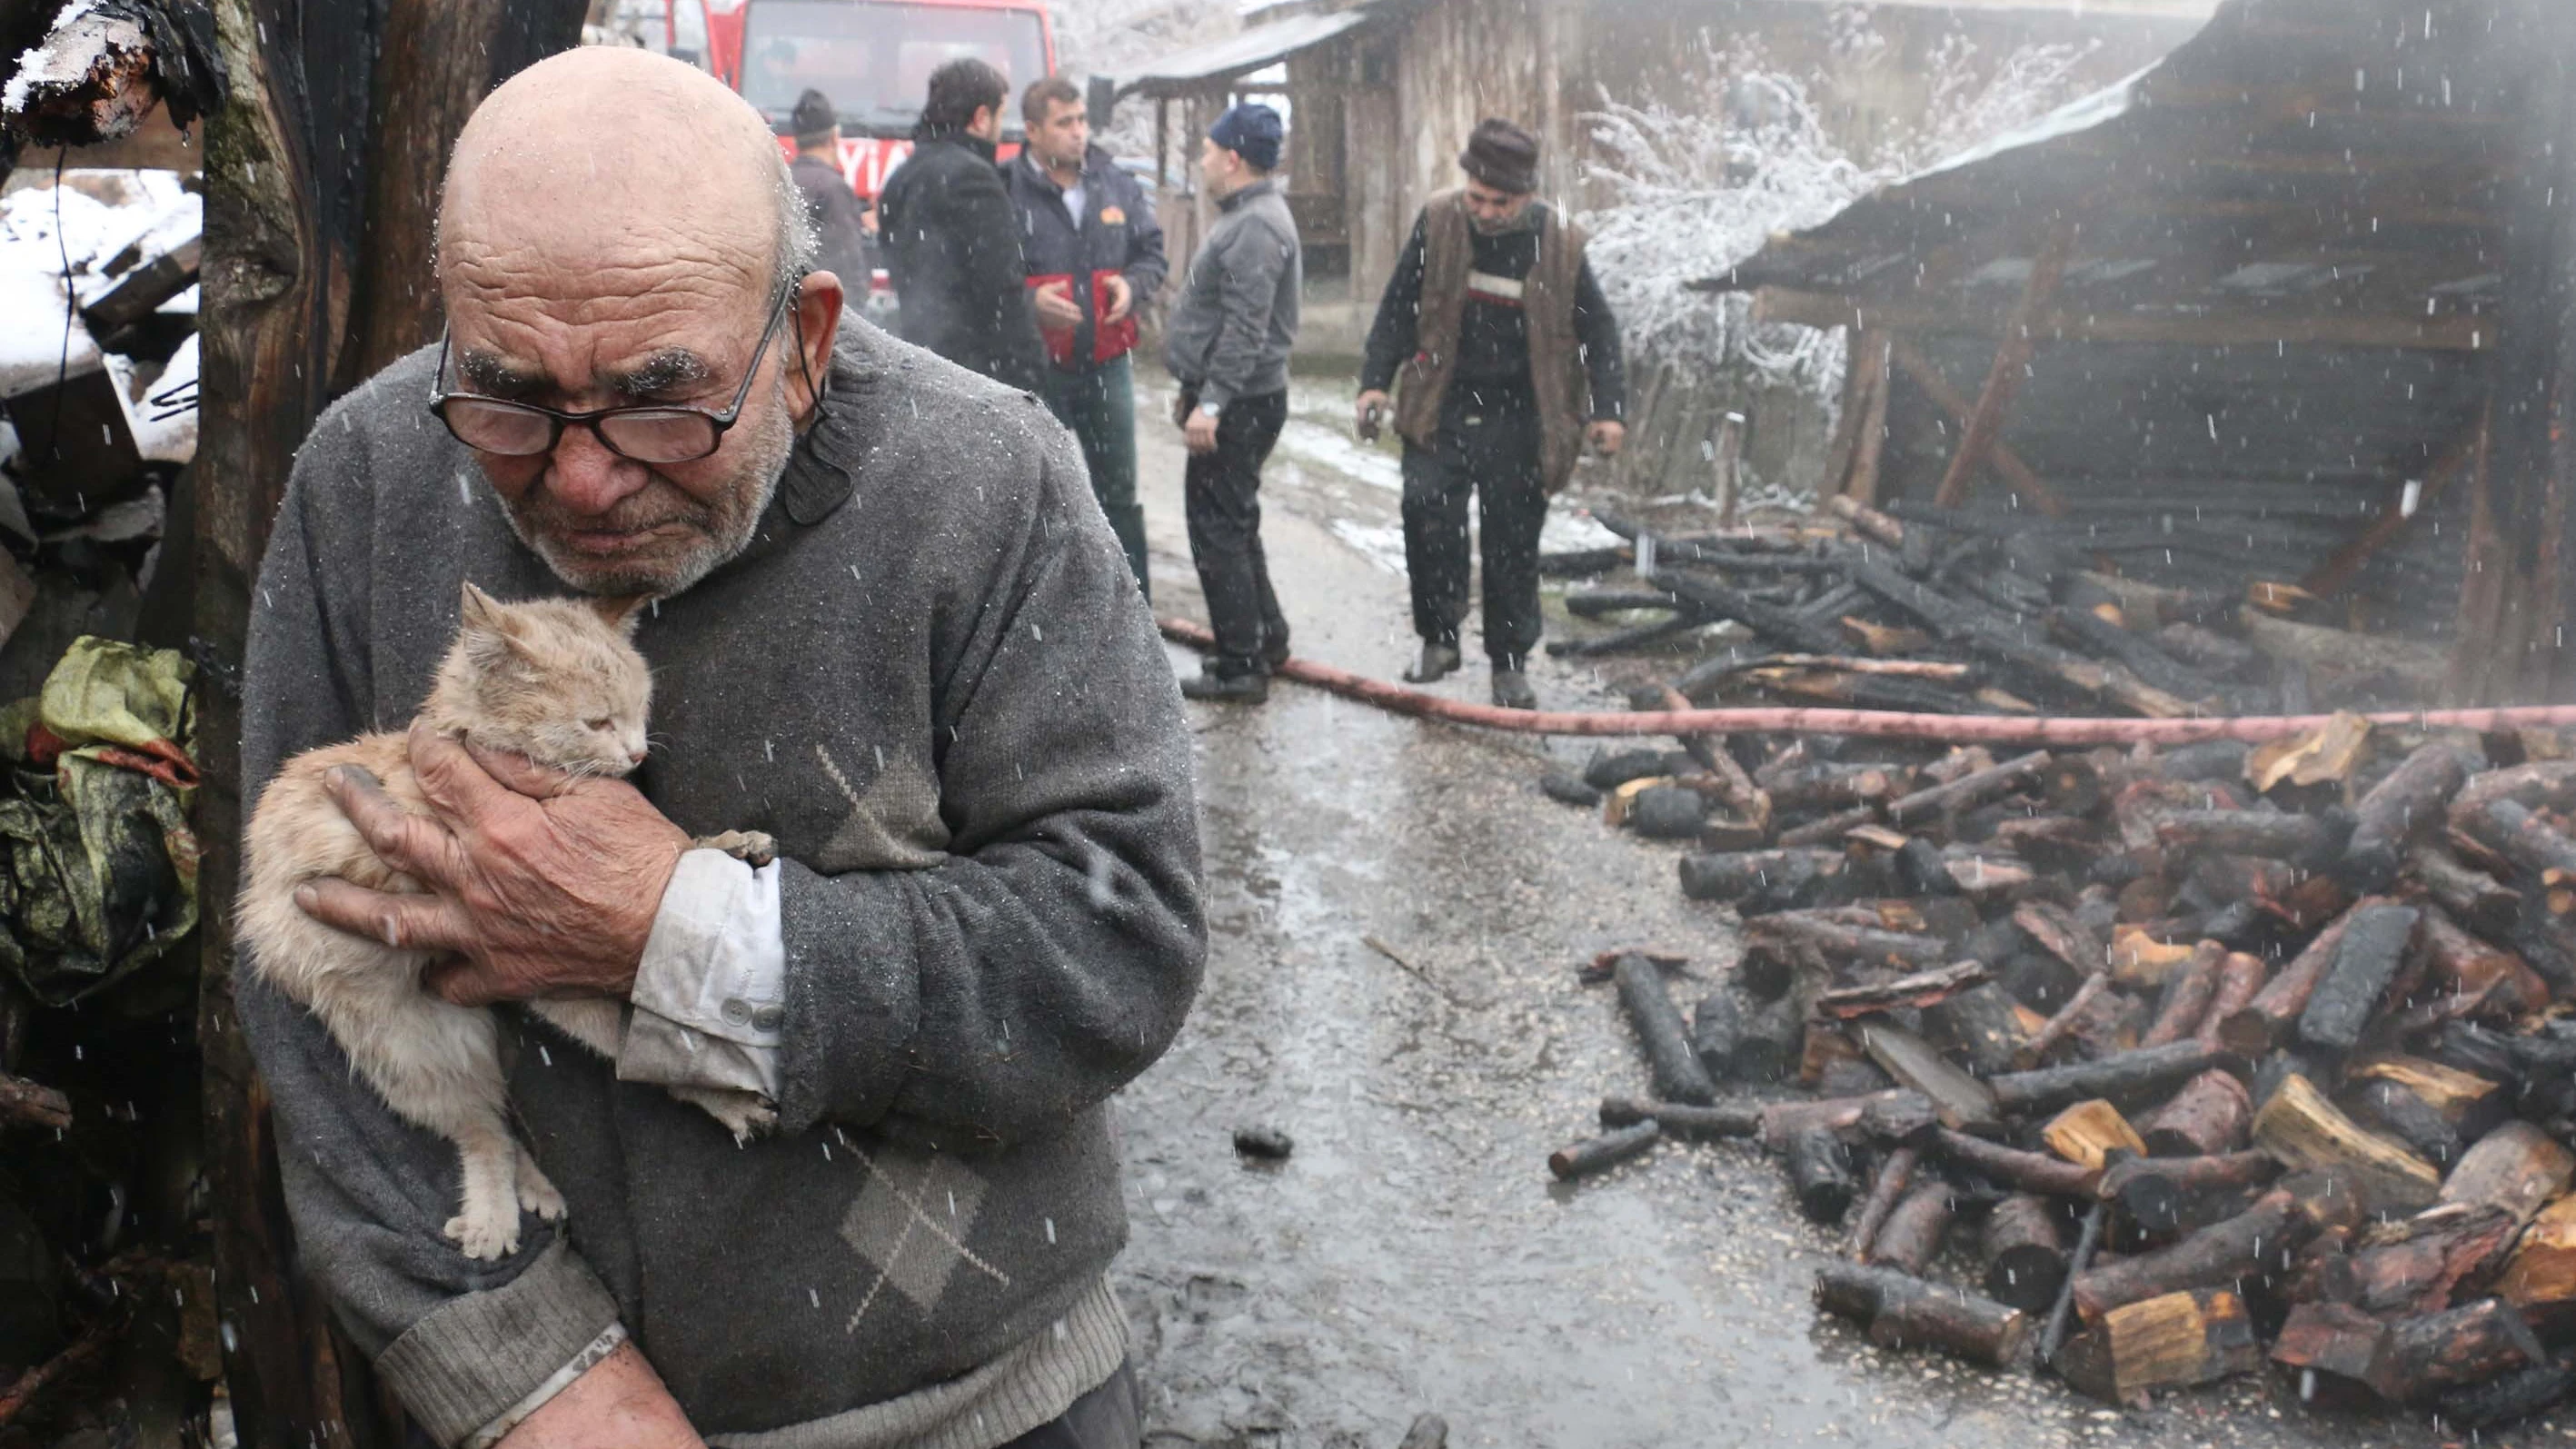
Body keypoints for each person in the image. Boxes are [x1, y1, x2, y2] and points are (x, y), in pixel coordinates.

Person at [237, 46, 1199, 1449]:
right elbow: (298, 976)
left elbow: (1119, 942)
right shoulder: (366, 477)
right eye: (507, 394)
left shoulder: (987, 483)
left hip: (978, 1406)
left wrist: (680, 935)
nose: (578, 472)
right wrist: (517, 1367)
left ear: (804, 337)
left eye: (658, 395)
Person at [1356, 117, 1626, 710]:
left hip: (1522, 414)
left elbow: (1598, 332)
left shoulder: (1560, 243)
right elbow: (1398, 305)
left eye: (1500, 202)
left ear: (1526, 194)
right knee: (1425, 511)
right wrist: (1374, 382)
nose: (1486, 211)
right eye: (1476, 196)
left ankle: (1509, 663)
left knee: (1511, 542)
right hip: (1441, 404)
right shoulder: (1439, 220)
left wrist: (1608, 409)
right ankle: (1439, 639)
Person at [1008, 75, 1167, 599]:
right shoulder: (1006, 188)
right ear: (1032, 130)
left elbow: (1151, 252)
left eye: (1082, 121)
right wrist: (1030, 304)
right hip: (1038, 371)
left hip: (1106, 365)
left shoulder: (1113, 181)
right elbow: (986, 278)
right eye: (1064, 123)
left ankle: (1133, 606)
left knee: (1119, 493)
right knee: (1033, 495)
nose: (1079, 133)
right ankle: (1047, 607)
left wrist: (1133, 284)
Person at [1160, 103, 1299, 703]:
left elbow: (1246, 327)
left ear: (1233, 158)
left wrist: (1211, 403)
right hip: (1238, 396)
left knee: (1216, 529)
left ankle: (1242, 665)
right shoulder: (1250, 216)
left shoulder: (1255, 225)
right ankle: (1264, 638)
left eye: (1209, 151)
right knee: (1234, 521)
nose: (1202, 161)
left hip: (1240, 401)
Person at [876, 57, 1044, 388]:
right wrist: (1030, 374)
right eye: (1000, 116)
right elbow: (1001, 291)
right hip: (977, 375)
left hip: (920, 367)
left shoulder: (900, 177)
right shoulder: (974, 179)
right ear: (981, 118)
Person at [786, 87, 876, 295]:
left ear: (797, 140)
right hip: (823, 309)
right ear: (835, 138)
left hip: (789, 306)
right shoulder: (834, 188)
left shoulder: (783, 180)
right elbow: (847, 265)